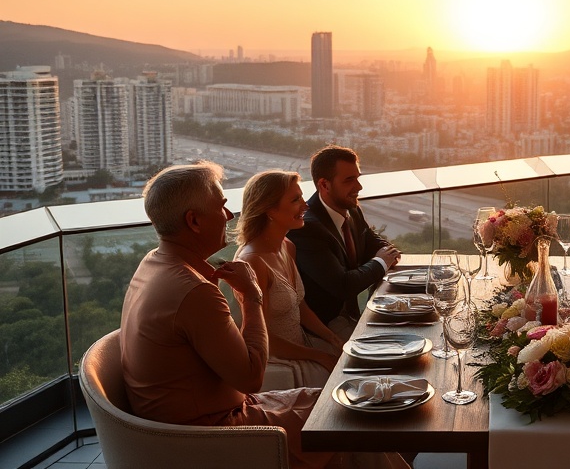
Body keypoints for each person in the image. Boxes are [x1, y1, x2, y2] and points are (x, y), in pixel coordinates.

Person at [120, 161, 407, 469]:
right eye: (221, 207)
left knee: (341, 401)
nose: (229, 216)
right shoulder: (195, 292)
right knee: (350, 412)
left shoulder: (154, 264)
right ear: (193, 221)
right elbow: (252, 377)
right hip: (213, 433)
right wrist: (252, 297)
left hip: (206, 417)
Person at [234, 170, 344, 388]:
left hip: (302, 349)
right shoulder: (252, 263)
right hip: (277, 366)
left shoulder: (287, 246)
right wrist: (317, 356)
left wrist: (332, 338)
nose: (306, 205)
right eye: (296, 200)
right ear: (269, 209)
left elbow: (298, 305)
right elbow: (262, 339)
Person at [288, 145, 401, 341]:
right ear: (324, 185)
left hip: (352, 316)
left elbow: (369, 239)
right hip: (326, 326)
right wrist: (382, 262)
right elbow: (343, 285)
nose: (359, 187)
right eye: (349, 180)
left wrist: (386, 252)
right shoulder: (307, 228)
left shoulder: (350, 208)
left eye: (358, 178)